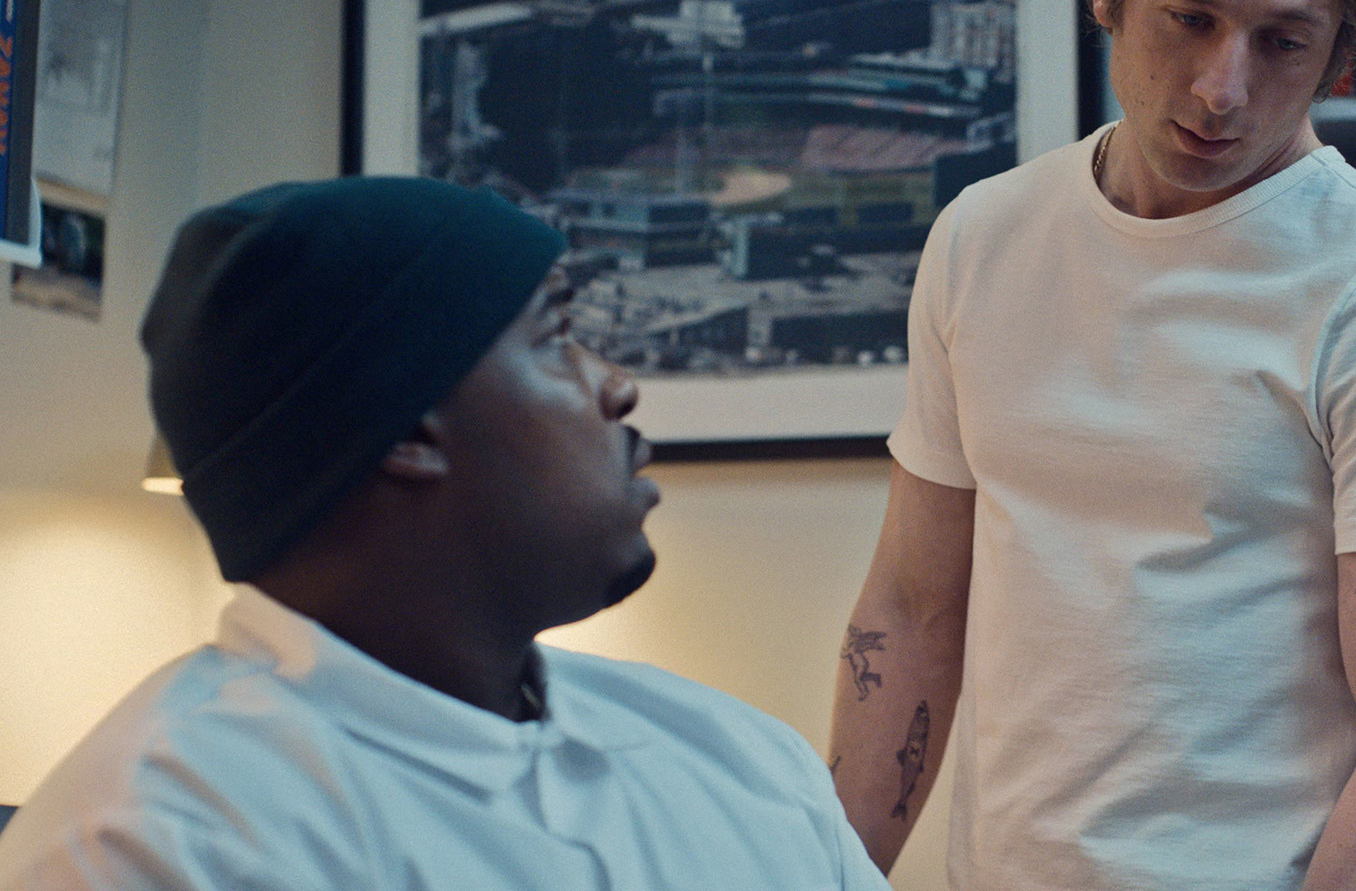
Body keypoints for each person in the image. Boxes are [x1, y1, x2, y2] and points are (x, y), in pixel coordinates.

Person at [827, 0, 1356, 887]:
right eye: (1189, 19)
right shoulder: (983, 236)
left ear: (1339, 50)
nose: (1221, 87)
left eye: (1282, 41)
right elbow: (912, 615)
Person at [0, 177, 890, 890]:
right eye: (556, 336)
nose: (616, 386)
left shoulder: (741, 761)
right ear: (407, 431)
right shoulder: (159, 846)